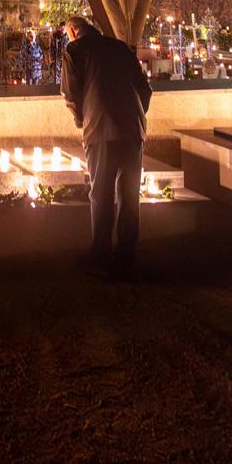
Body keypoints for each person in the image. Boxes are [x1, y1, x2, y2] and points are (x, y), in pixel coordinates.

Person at [60, 16, 153, 279]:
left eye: (68, 34)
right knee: (129, 194)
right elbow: (144, 89)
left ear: (74, 31)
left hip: (101, 129)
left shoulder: (75, 50)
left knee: (100, 193)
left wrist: (82, 120)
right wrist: (135, 116)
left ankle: (100, 256)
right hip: (133, 128)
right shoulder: (120, 47)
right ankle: (126, 257)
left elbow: (70, 93)